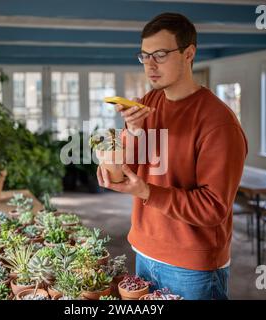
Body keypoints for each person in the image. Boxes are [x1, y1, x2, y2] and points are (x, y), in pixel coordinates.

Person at [96, 12, 248, 300]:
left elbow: (213, 207)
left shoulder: (218, 122)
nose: (150, 66)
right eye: (144, 56)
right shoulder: (147, 102)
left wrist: (145, 190)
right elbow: (132, 166)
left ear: (189, 53)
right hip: (143, 250)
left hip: (191, 268)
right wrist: (131, 132)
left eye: (161, 55)